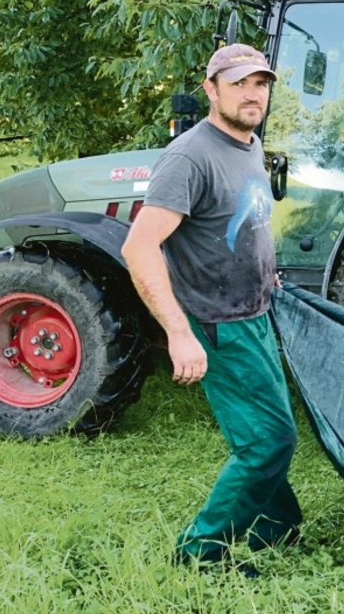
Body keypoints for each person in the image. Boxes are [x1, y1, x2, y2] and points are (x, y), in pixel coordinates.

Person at [122, 43, 301, 572]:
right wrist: (180, 334)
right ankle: (199, 554)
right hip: (218, 322)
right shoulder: (189, 157)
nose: (252, 94)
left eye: (260, 84)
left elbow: (242, 222)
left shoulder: (248, 143)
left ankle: (274, 529)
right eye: (239, 83)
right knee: (267, 442)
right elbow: (139, 248)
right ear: (211, 89)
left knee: (273, 429)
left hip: (255, 312)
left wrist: (266, 274)